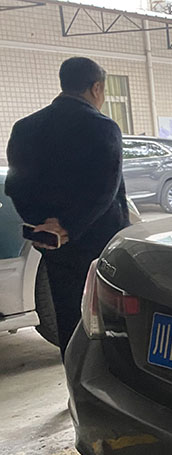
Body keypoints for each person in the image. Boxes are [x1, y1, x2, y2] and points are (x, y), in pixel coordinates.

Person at [5, 57, 129, 361]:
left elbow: (16, 185)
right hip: (99, 245)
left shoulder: (25, 127)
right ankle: (106, 379)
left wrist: (45, 225)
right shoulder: (102, 127)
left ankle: (74, 377)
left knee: (68, 315)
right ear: (96, 88)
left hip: (54, 246)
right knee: (108, 320)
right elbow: (104, 190)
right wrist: (69, 226)